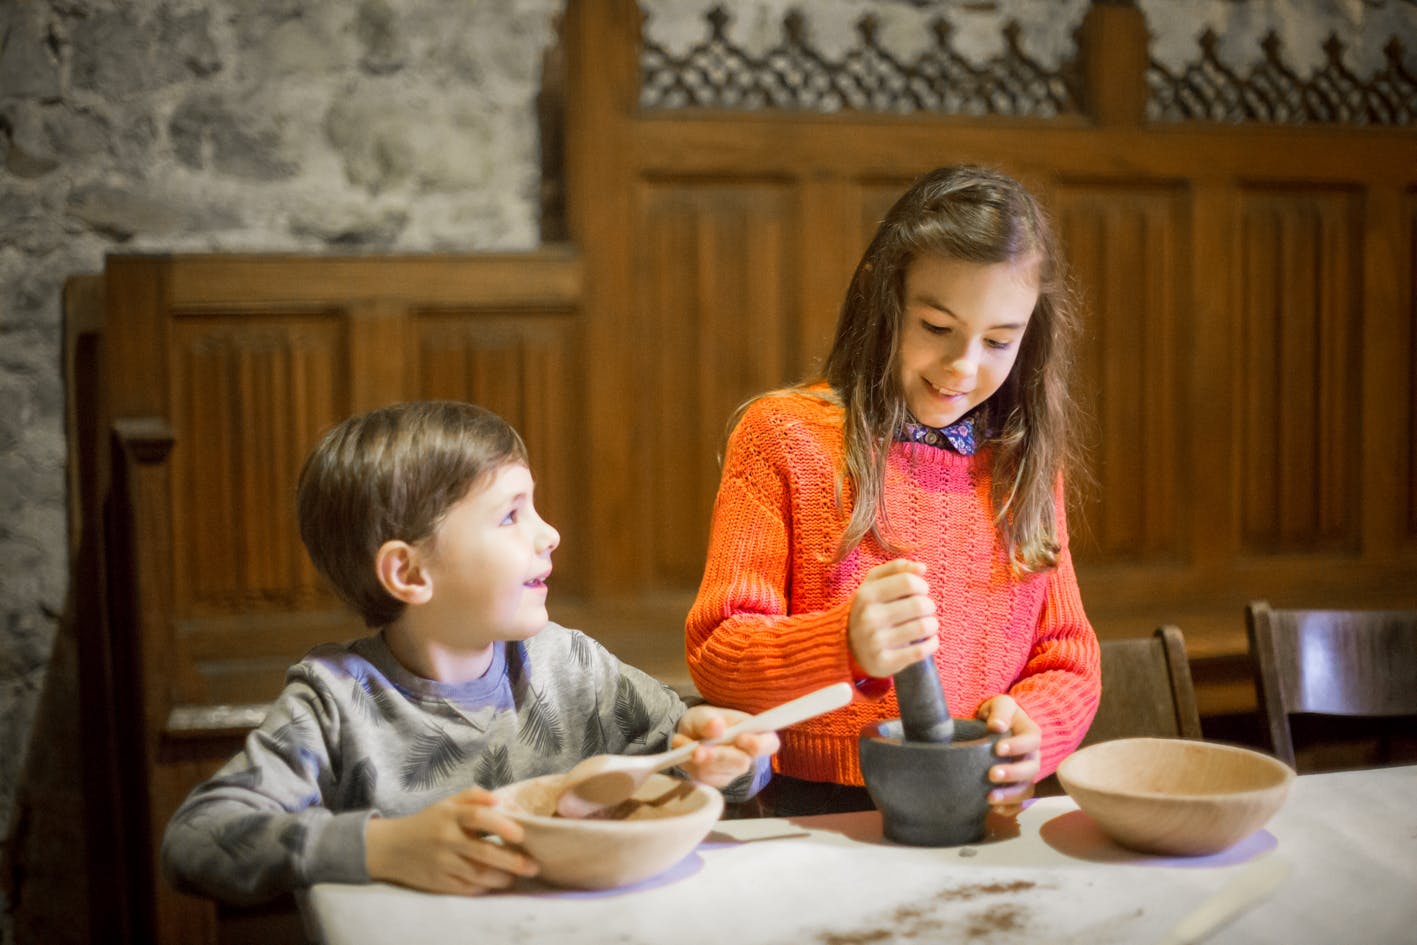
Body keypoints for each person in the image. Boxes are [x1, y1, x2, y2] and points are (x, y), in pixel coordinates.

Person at [162, 400, 777, 904]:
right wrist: (387, 848)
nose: (549, 533)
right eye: (511, 516)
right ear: (408, 572)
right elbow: (196, 840)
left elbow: (709, 760)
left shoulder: (572, 666)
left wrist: (723, 756)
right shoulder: (336, 700)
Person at [685, 164, 1101, 819]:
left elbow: (1066, 656)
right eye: (936, 327)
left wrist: (1034, 726)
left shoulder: (1020, 462)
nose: (963, 366)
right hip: (815, 813)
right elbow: (716, 652)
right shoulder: (784, 436)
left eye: (998, 340)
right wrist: (840, 642)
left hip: (976, 805)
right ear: (885, 301)